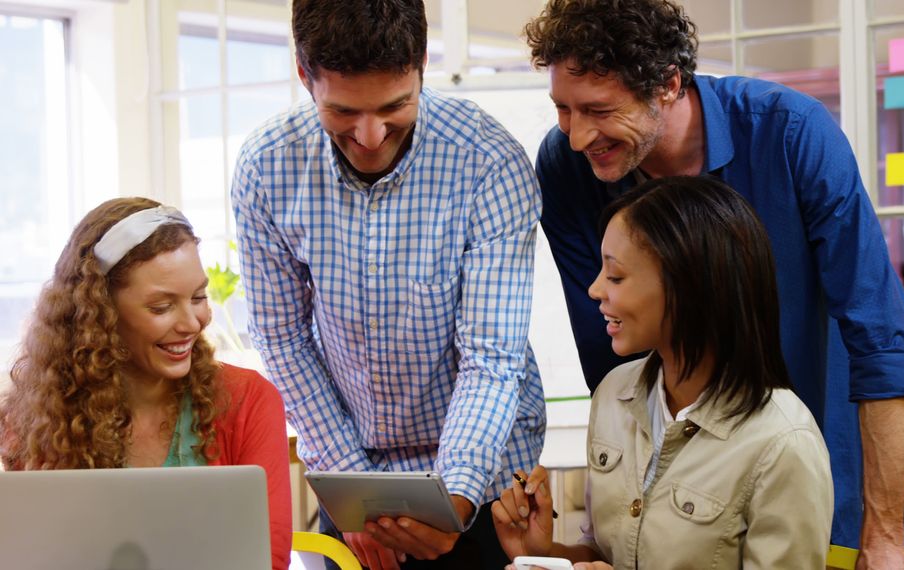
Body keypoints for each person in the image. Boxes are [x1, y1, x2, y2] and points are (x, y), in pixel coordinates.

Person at [523, 0, 904, 566]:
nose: (575, 135)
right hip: (676, 496)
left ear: (667, 84)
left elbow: (880, 339)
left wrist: (884, 536)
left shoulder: (791, 134)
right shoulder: (568, 169)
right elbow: (611, 355)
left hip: (810, 461)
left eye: (598, 109)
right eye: (563, 109)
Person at [230, 1, 545, 568]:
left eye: (396, 106)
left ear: (422, 63)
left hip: (484, 478)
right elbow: (282, 340)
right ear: (305, 75)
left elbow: (490, 358)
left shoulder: (489, 161)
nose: (371, 136)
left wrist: (456, 497)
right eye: (343, 111)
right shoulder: (266, 168)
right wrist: (361, 498)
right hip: (351, 468)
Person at [492, 175, 834, 569]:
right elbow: (607, 554)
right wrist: (543, 552)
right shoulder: (613, 395)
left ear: (688, 285)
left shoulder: (784, 443)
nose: (595, 289)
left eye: (616, 276)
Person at [0, 197, 292, 570]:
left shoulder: (248, 400)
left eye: (198, 297)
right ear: (100, 313)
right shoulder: (37, 418)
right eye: (162, 307)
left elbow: (268, 556)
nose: (193, 323)